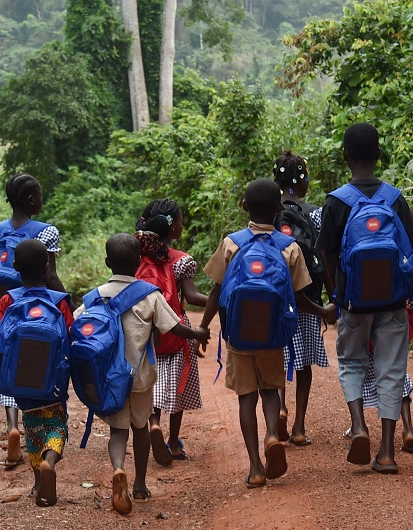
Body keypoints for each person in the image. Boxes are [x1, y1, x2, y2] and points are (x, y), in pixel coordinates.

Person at [199, 178, 336, 488]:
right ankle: (273, 434)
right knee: (271, 390)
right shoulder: (289, 247)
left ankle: (255, 467)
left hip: (238, 337)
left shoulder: (231, 243)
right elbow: (300, 297)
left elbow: (217, 290)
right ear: (278, 209)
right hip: (272, 336)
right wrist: (323, 311)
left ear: (245, 206)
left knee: (246, 398)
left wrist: (204, 326)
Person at [75, 234, 210, 515]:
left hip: (110, 378)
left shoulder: (94, 296)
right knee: (141, 428)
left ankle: (117, 469)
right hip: (139, 377)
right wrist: (197, 333)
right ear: (138, 262)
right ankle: (138, 484)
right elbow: (173, 328)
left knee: (117, 430)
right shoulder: (149, 294)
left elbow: (76, 326)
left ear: (107, 262)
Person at [315, 123, 413, 474]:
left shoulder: (336, 202)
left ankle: (359, 425)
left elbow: (327, 255)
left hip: (353, 302)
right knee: (392, 370)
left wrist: (337, 295)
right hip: (392, 301)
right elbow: (411, 251)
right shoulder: (395, 198)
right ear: (378, 155)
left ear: (345, 156)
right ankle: (388, 451)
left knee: (351, 362)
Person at [0, 239, 73, 506]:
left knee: (34, 431)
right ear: (46, 266)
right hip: (53, 385)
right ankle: (50, 461)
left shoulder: (7, 300)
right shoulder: (59, 301)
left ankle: (38, 481)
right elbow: (71, 341)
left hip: (22, 383)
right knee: (56, 428)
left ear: (15, 267)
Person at [0, 173, 66, 466]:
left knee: (6, 364)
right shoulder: (46, 232)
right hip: (38, 312)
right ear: (31, 200)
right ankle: (42, 426)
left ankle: (12, 426)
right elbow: (50, 275)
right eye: (40, 195)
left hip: (6, 311)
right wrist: (67, 304)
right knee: (34, 367)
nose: (42, 200)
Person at [134, 199, 208, 465]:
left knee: (152, 380)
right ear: (172, 228)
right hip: (177, 330)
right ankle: (174, 443)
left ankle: (154, 423)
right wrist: (218, 301)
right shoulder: (180, 261)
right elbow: (191, 295)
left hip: (145, 330)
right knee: (178, 385)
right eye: (180, 220)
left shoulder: (137, 257)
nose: (182, 224)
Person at [271, 151, 330, 446]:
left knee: (280, 359)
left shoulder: (268, 213)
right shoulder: (315, 214)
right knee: (303, 363)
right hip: (306, 297)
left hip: (274, 301)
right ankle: (299, 427)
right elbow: (321, 256)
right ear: (303, 181)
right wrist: (330, 300)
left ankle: (280, 407)